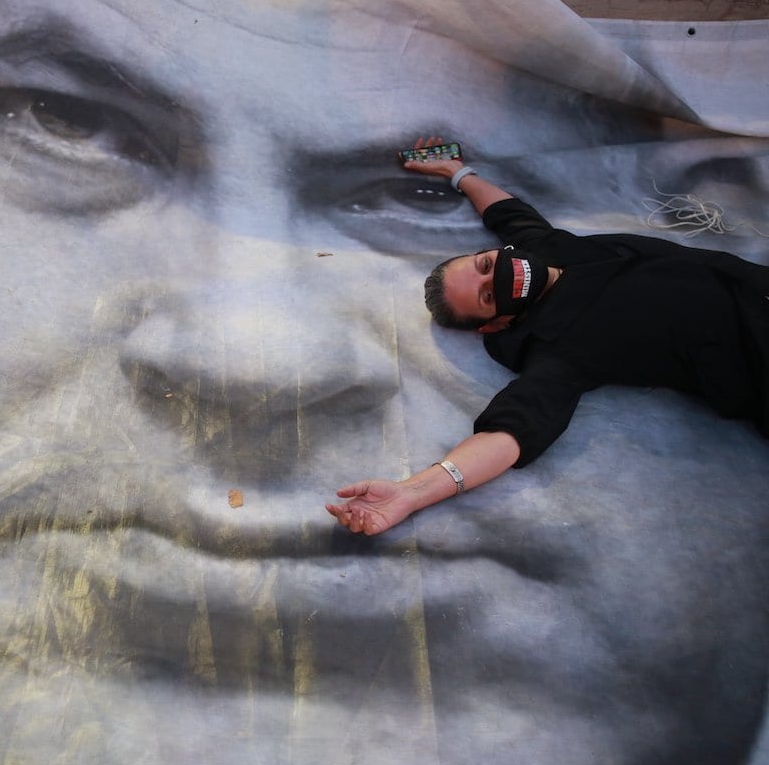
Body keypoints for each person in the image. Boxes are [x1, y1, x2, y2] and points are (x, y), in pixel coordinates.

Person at [0, 0, 769, 765]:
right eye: (62, 118)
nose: (258, 354)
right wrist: (447, 170)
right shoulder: (546, 287)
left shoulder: (569, 326)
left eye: (401, 208)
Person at [326, 140, 769, 537]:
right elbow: (511, 430)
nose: (496, 276)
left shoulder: (544, 248)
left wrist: (457, 172)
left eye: (484, 265)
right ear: (494, 325)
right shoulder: (560, 350)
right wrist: (411, 493)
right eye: (487, 295)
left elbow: (506, 213)